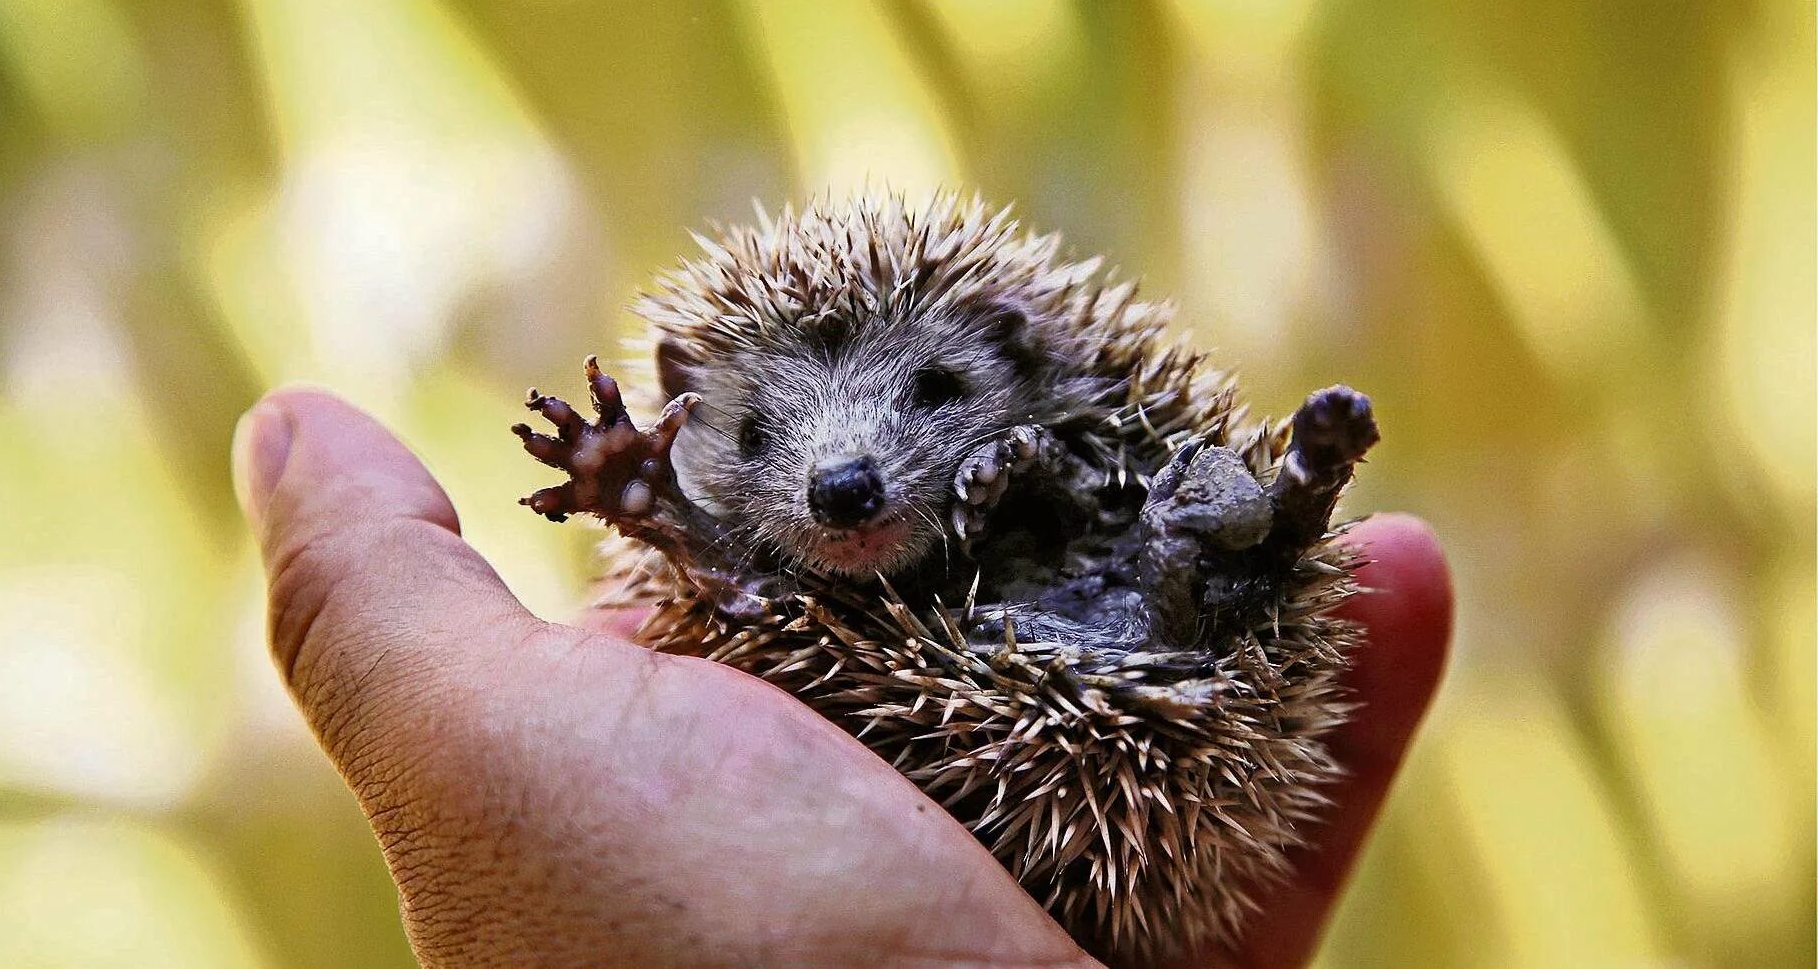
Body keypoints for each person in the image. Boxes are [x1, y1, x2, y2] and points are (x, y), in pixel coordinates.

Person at [232, 388, 1452, 968]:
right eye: (763, 435)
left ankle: (1250, 530)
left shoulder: (1067, 426)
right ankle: (1245, 531)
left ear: (1020, 357)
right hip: (1066, 653)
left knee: (1192, 572)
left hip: (1114, 624)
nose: (845, 469)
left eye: (925, 393)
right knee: (790, 609)